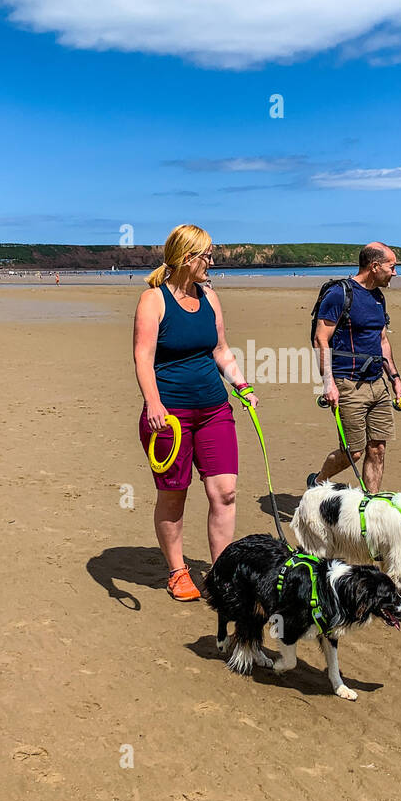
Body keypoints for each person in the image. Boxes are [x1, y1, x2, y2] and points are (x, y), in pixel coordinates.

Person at [133, 224, 256, 601]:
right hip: (170, 415)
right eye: (207, 255)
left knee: (226, 492)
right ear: (188, 259)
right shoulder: (153, 301)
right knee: (175, 495)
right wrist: (153, 403)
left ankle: (220, 575)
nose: (212, 261)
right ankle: (178, 571)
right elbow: (143, 357)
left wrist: (241, 384)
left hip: (214, 410)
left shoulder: (210, 297)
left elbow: (221, 349)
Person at [308, 242, 401, 495]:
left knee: (378, 448)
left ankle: (370, 503)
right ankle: (319, 481)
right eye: (392, 266)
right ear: (375, 267)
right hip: (348, 384)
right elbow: (320, 339)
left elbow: (382, 341)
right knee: (352, 451)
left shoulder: (378, 297)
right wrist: (328, 383)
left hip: (378, 383)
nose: (395, 272)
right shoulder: (339, 294)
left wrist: (396, 381)